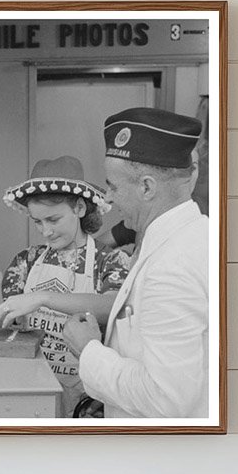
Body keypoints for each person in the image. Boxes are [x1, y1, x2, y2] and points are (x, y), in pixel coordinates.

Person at [61, 106, 209, 419]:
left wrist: (89, 350)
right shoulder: (191, 237)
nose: (108, 198)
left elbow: (167, 398)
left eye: (113, 186)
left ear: (146, 187)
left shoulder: (171, 268)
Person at [0, 156, 131, 417]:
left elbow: (112, 306)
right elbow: (6, 327)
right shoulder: (26, 261)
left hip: (88, 402)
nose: (45, 231)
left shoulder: (109, 261)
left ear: (80, 208)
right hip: (31, 392)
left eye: (53, 220)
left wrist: (42, 297)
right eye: (38, 222)